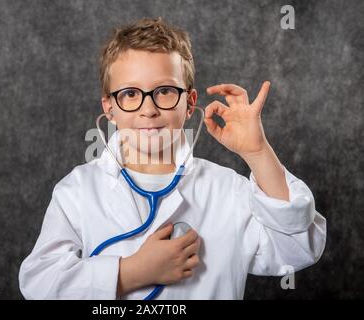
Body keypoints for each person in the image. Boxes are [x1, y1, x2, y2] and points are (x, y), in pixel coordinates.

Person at [18, 17, 326, 300]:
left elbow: (298, 248)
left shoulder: (225, 191)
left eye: (164, 91)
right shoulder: (78, 191)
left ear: (190, 103)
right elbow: (40, 282)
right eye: (129, 94)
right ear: (109, 108)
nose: (148, 109)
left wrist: (258, 153)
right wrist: (134, 271)